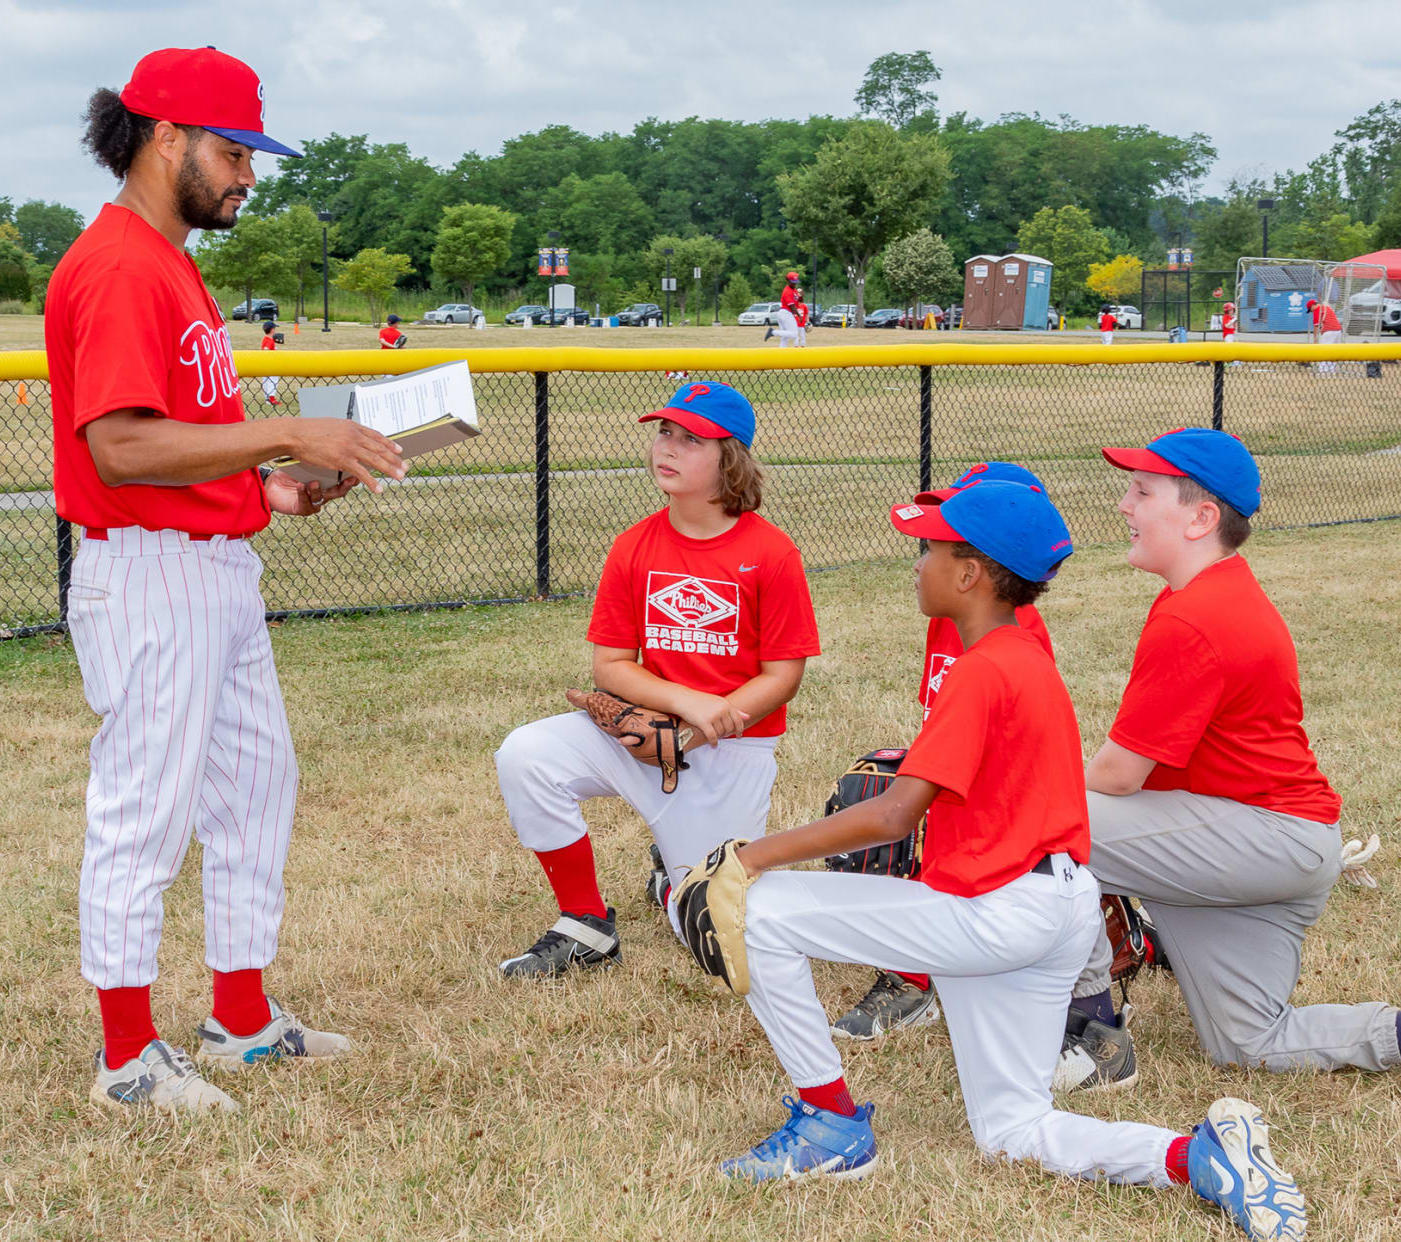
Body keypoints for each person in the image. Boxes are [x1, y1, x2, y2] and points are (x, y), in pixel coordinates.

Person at [690, 481, 1308, 1242]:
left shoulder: (982, 670)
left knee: (766, 910)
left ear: (971, 574)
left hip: (997, 912)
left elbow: (893, 814)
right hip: (1055, 909)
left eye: (930, 550)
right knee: (1013, 1129)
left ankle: (829, 1124)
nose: (916, 565)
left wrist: (747, 858)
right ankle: (1195, 1157)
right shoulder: (1024, 651)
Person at [49, 47, 408, 1113]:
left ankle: (241, 1016)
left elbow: (182, 439)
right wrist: (291, 425)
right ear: (164, 136)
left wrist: (268, 486)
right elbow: (119, 448)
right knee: (144, 813)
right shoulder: (120, 264)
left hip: (211, 564)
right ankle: (127, 1060)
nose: (249, 174)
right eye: (233, 149)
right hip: (151, 575)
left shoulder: (170, 260)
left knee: (256, 789)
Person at [1055, 427, 1401, 1106]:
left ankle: (1094, 1031)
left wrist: (1006, 790)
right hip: (1280, 846)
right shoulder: (1214, 593)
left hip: (1261, 839)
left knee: (1046, 819)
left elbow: (1117, 776)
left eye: (1141, 491)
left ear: (1201, 517)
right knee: (1248, 1041)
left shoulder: (1195, 616)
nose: (1124, 506)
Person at [493, 381, 820, 978]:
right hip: (641, 735)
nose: (666, 448)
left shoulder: (771, 553)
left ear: (732, 459)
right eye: (664, 433)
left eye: (691, 440)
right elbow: (611, 665)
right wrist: (684, 705)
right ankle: (585, 924)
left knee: (722, 947)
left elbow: (782, 674)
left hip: (729, 747)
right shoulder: (635, 545)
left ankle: (675, 878)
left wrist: (703, 724)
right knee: (527, 755)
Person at [829, 462, 1055, 1042]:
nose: (922, 555)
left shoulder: (1014, 639)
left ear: (979, 568)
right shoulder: (953, 620)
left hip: (1006, 845)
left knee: (887, 805)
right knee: (882, 782)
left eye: (937, 542)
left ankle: (917, 974)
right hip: (970, 817)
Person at [1308, 299, 1342, 374]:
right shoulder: (1326, 307)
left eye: (1310, 309)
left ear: (1313, 305)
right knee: (1333, 352)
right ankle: (1331, 370)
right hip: (1338, 331)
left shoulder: (1317, 310)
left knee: (1324, 351)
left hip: (1329, 331)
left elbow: (1316, 327)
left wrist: (1315, 340)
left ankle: (1323, 371)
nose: (1311, 311)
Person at [258, 318, 281, 405]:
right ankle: (271, 398)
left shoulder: (265, 338)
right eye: (274, 328)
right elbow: (266, 349)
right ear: (272, 330)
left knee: (266, 380)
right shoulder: (270, 340)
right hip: (270, 363)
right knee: (273, 379)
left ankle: (267, 398)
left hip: (265, 363)